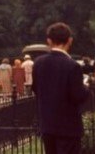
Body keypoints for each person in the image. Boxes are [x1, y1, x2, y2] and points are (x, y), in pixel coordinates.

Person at [32, 22, 90, 154]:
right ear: (70, 40)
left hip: (47, 125)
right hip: (68, 128)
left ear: (49, 41)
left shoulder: (38, 63)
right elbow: (78, 96)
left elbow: (36, 89)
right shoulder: (72, 66)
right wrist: (86, 88)